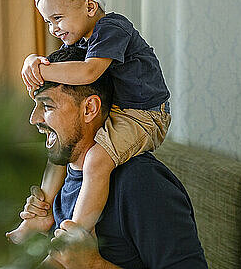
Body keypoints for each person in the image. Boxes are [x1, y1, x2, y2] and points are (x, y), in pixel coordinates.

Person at [7, 0, 171, 244]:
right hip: (119, 108)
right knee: (62, 149)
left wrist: (39, 68)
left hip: (144, 115)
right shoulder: (81, 40)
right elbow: (64, 67)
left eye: (57, 18)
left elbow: (88, 72)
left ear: (90, 6)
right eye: (48, 22)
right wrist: (34, 60)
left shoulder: (112, 27)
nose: (53, 29)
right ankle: (40, 214)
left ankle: (76, 235)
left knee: (96, 158)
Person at [22, 45, 208, 268]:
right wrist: (42, 234)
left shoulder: (140, 182)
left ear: (89, 108)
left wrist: (95, 265)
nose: (34, 119)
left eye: (47, 105)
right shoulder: (65, 175)